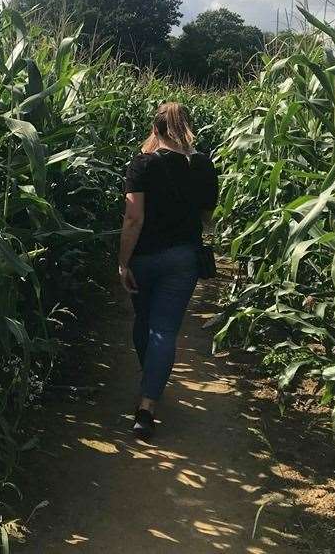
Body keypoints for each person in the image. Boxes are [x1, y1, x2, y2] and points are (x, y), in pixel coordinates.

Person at [118, 102, 218, 440]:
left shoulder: (142, 164)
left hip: (144, 257)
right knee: (164, 330)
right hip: (183, 259)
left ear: (156, 130)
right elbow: (207, 214)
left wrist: (123, 261)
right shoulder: (203, 165)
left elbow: (134, 219)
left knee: (144, 322)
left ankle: (151, 381)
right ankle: (147, 405)